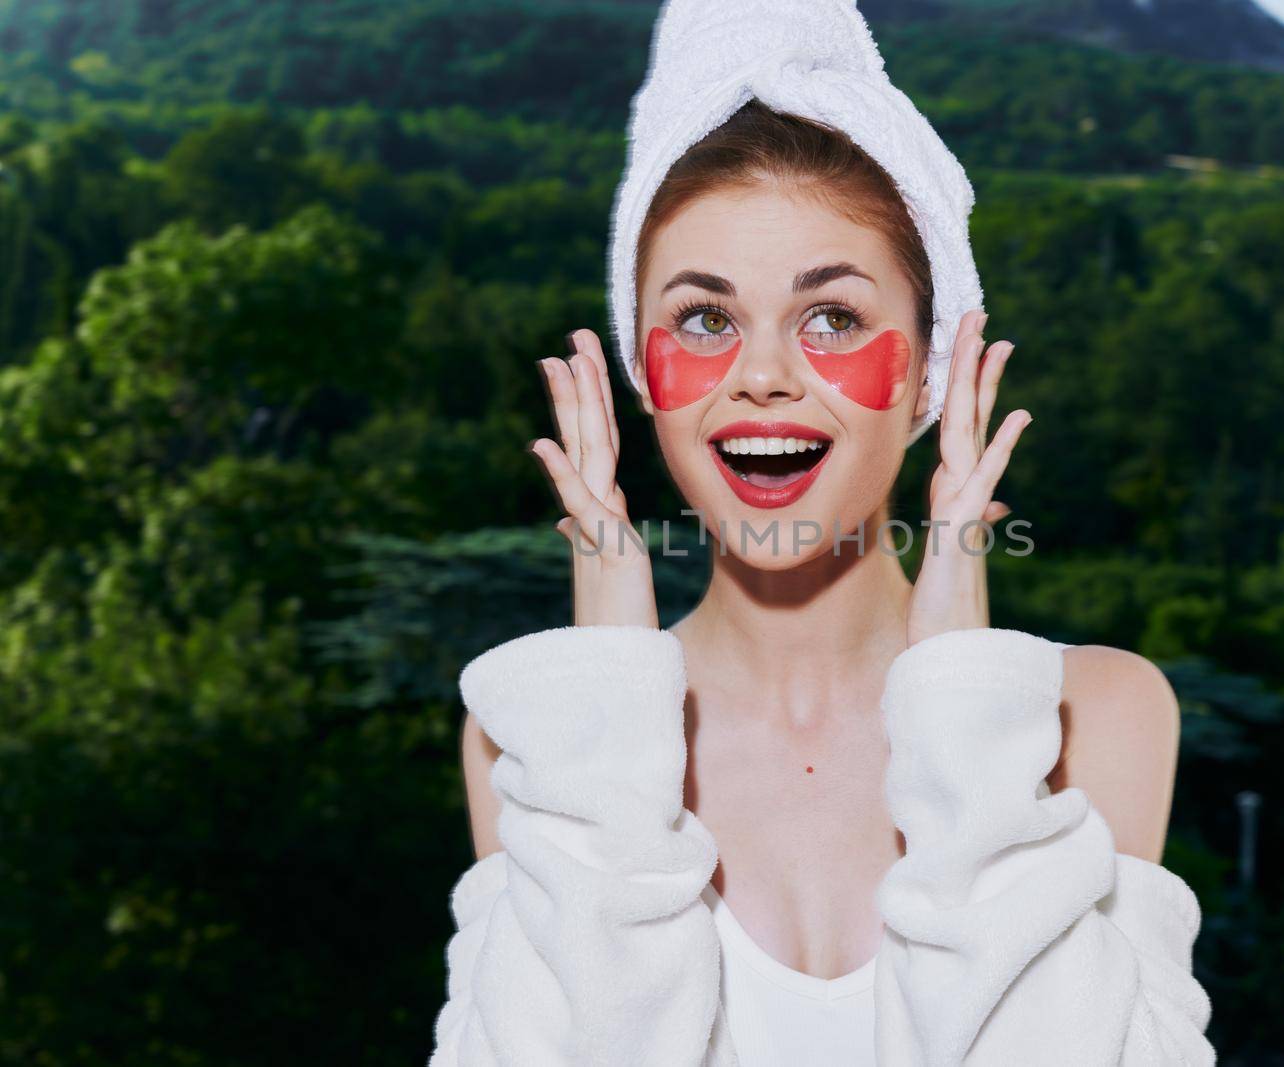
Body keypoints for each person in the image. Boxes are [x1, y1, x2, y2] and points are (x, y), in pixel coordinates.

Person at [429, 1, 1215, 1064]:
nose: (761, 375)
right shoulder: (536, 741)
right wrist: (608, 692)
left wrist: (962, 696)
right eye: (704, 319)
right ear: (641, 373)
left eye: (832, 317)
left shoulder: (1095, 721)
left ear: (930, 366)